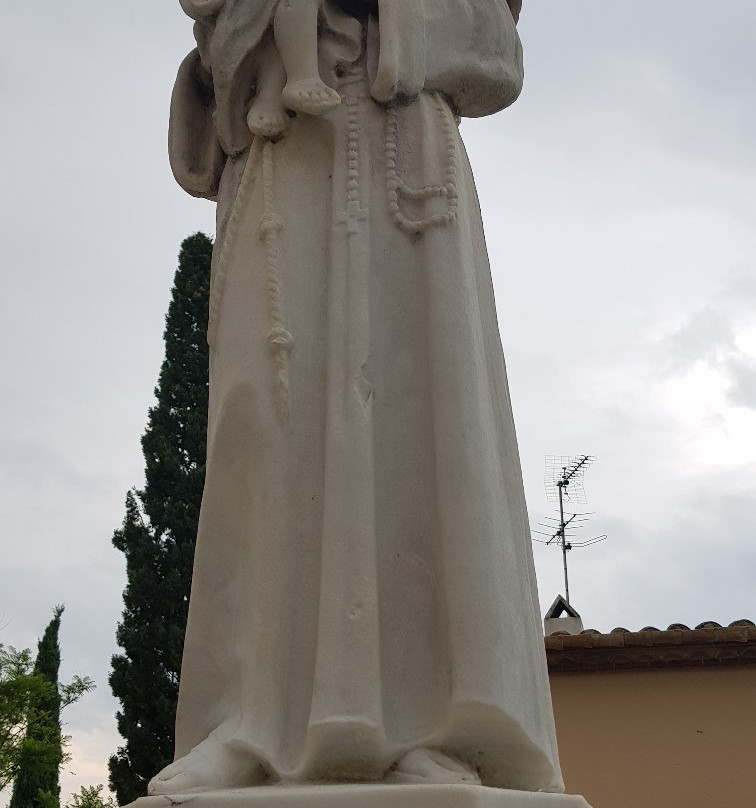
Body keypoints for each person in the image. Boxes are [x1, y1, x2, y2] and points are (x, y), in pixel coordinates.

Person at [152, 0, 565, 796]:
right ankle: (240, 724)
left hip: (400, 159)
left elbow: (492, 46)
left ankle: (445, 730)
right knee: (263, 438)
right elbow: (207, 89)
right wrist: (237, 43)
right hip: (278, 169)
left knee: (418, 434)